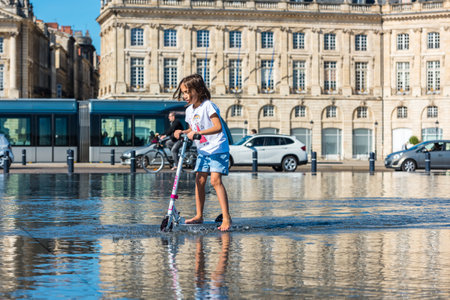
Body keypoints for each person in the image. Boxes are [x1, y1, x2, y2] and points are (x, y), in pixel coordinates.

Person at [173, 74, 232, 232]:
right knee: (199, 180)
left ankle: (226, 218)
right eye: (183, 93)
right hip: (204, 150)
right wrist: (182, 131)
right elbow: (193, 129)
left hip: (217, 147)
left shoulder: (208, 106)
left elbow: (218, 127)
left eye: (187, 92)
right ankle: (199, 215)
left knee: (215, 181)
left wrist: (198, 133)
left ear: (198, 90)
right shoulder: (189, 111)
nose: (185, 96)